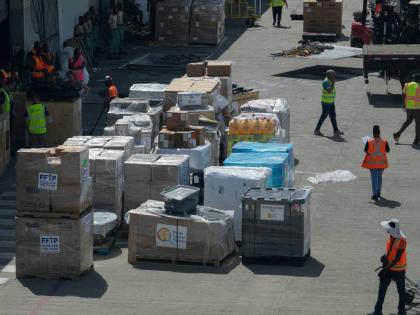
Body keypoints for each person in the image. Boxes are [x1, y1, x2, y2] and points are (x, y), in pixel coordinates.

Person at [368, 219, 407, 315]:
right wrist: (385, 256)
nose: (387, 230)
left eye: (388, 229)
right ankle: (377, 311)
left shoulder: (402, 241)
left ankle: (401, 312)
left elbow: (397, 258)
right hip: (389, 267)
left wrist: (385, 269)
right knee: (382, 289)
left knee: (401, 291)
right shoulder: (391, 236)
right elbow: (391, 251)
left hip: (398, 270)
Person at [362, 125, 390, 201]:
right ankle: (378, 192)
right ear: (379, 132)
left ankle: (375, 195)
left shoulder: (369, 141)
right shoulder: (384, 141)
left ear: (373, 133)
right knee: (379, 177)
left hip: (373, 163)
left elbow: (366, 150)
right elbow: (388, 150)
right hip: (382, 163)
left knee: (374, 178)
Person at [314, 69, 343, 136]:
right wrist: (333, 83)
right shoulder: (325, 82)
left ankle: (336, 130)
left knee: (333, 116)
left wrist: (332, 82)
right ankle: (316, 130)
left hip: (331, 102)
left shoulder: (330, 80)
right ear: (329, 75)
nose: (335, 76)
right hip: (326, 102)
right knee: (324, 115)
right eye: (333, 75)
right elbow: (329, 91)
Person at [393, 74, 420, 146]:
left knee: (408, 121)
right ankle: (417, 139)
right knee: (418, 123)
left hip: (408, 107)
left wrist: (403, 104)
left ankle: (397, 134)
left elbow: (404, 94)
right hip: (417, 107)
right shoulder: (419, 86)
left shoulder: (407, 85)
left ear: (412, 79)